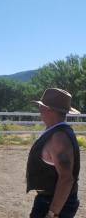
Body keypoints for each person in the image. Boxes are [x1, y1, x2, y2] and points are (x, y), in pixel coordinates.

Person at [26, 88, 80, 218]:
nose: (39, 109)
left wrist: (52, 213)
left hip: (52, 203)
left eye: (41, 106)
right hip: (50, 200)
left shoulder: (59, 138)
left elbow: (66, 179)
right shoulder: (56, 131)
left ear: (49, 110)